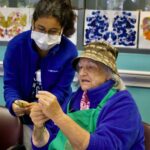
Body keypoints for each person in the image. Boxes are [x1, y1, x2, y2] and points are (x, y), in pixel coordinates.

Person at [30, 41, 145, 150]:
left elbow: (106, 147)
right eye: (80, 67)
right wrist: (39, 128)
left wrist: (59, 116)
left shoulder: (123, 105)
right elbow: (48, 142)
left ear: (109, 73)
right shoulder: (74, 99)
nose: (82, 73)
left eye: (90, 67)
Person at [3, 0, 77, 149]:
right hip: (24, 119)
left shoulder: (69, 52)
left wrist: (43, 107)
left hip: (55, 118)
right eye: (41, 29)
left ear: (62, 29)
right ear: (33, 23)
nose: (45, 36)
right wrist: (14, 102)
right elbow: (10, 84)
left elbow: (61, 91)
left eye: (53, 31)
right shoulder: (16, 46)